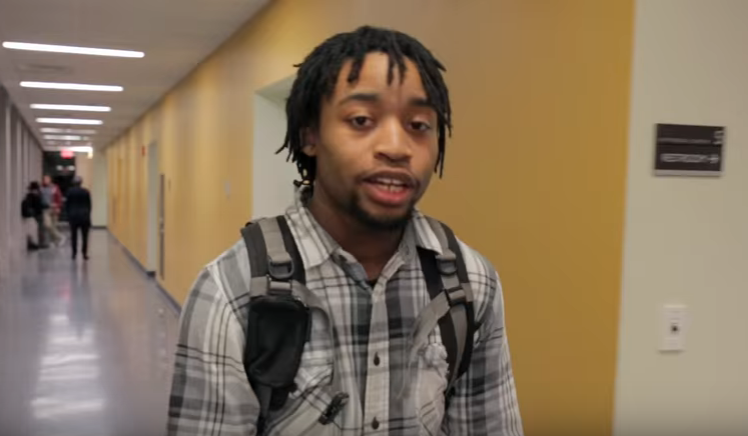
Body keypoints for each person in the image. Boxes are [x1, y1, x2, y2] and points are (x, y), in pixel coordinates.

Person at [167, 26, 522, 436]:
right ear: (309, 135)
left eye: (419, 124)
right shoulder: (232, 292)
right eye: (361, 120)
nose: (397, 146)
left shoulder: (470, 282)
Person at [65, 176, 92, 260]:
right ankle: (84, 254)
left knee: (74, 236)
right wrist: (87, 215)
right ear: (81, 183)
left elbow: (67, 205)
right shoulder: (86, 192)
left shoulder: (69, 192)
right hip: (84, 216)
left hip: (73, 217)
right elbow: (89, 205)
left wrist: (68, 216)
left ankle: (74, 253)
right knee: (85, 236)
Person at [41, 175, 65, 247]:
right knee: (47, 225)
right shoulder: (41, 188)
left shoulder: (54, 187)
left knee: (54, 226)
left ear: (50, 180)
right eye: (44, 179)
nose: (46, 181)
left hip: (54, 208)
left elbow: (59, 197)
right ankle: (60, 237)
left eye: (47, 179)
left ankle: (55, 242)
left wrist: (58, 207)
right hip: (46, 209)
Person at [21, 181, 45, 251]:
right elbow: (39, 205)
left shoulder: (30, 196)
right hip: (37, 214)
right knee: (39, 228)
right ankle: (39, 243)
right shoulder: (36, 195)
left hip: (34, 214)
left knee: (37, 229)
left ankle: (37, 242)